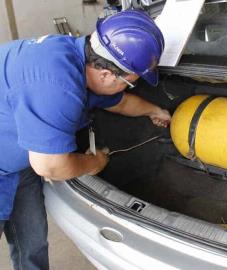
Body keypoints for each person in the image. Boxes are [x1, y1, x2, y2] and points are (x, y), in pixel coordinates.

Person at [0, 10, 170, 270]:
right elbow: (50, 167)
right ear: (107, 75)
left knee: (31, 242)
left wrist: (154, 111)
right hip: (18, 162)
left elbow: (120, 102)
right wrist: (93, 164)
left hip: (20, 161)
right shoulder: (58, 85)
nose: (128, 88)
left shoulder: (82, 61)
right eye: (130, 82)